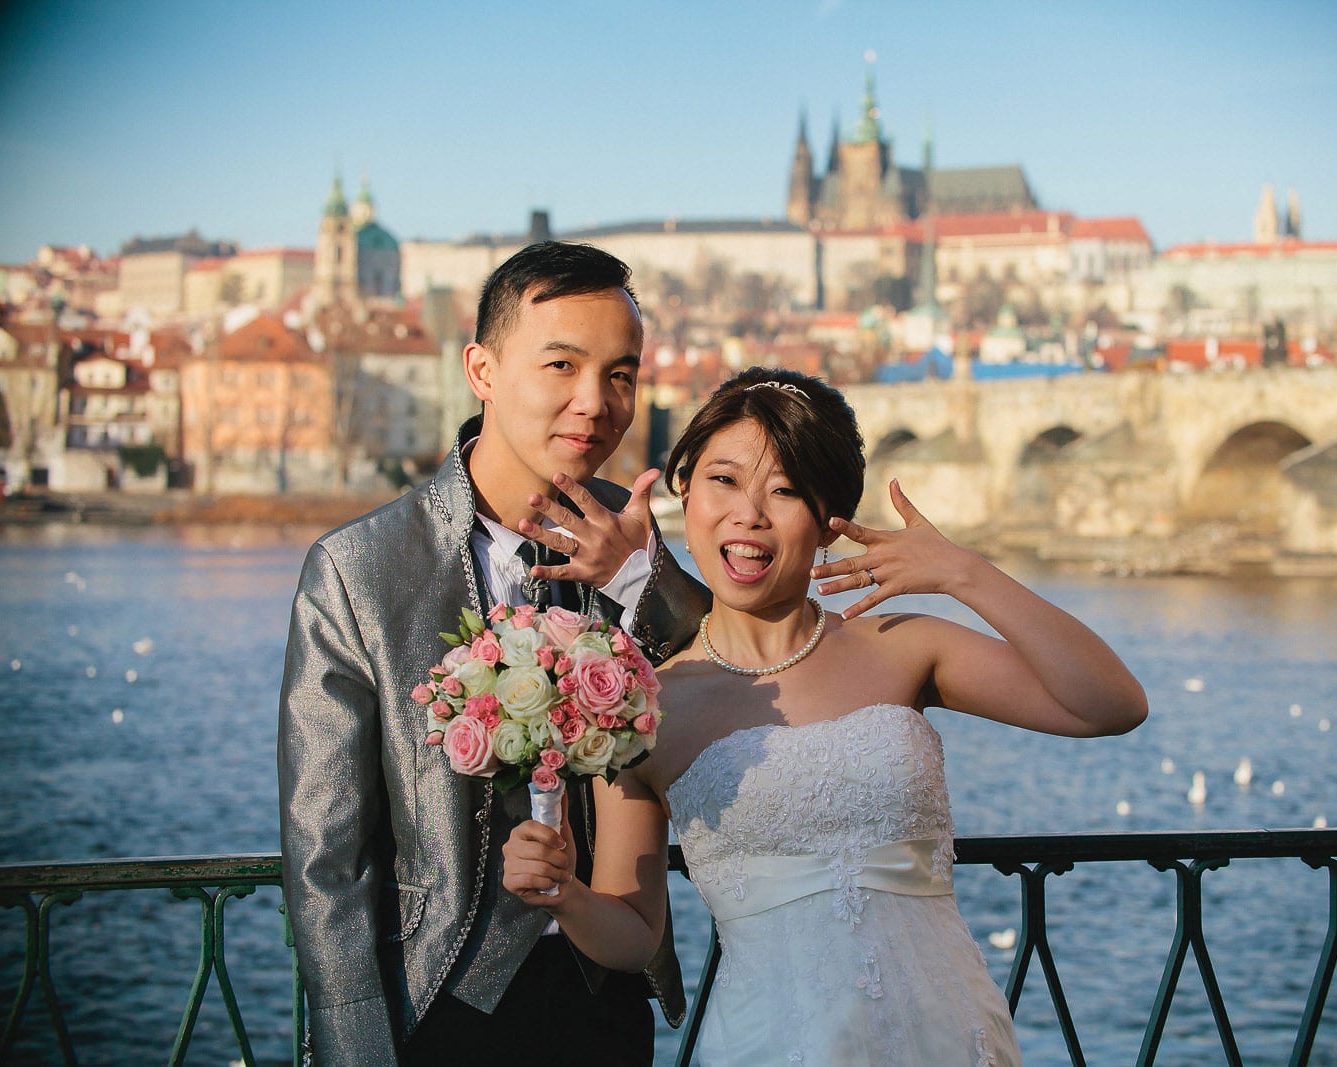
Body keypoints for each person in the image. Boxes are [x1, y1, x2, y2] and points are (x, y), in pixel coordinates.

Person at [501, 367, 1148, 1064]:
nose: (748, 513)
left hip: (947, 1038)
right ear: (682, 492)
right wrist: (565, 892)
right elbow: (632, 928)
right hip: (769, 1043)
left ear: (828, 519)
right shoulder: (640, 704)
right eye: (723, 480)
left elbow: (1111, 704)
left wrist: (965, 573)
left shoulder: (904, 646)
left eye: (784, 490)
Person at [278, 241, 709, 1066]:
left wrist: (637, 579)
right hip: (433, 1003)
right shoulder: (358, 570)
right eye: (561, 365)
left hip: (605, 999)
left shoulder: (633, 536)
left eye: (621, 375)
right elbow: (327, 860)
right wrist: (357, 1049)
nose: (597, 402)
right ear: (481, 369)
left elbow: (719, 679)